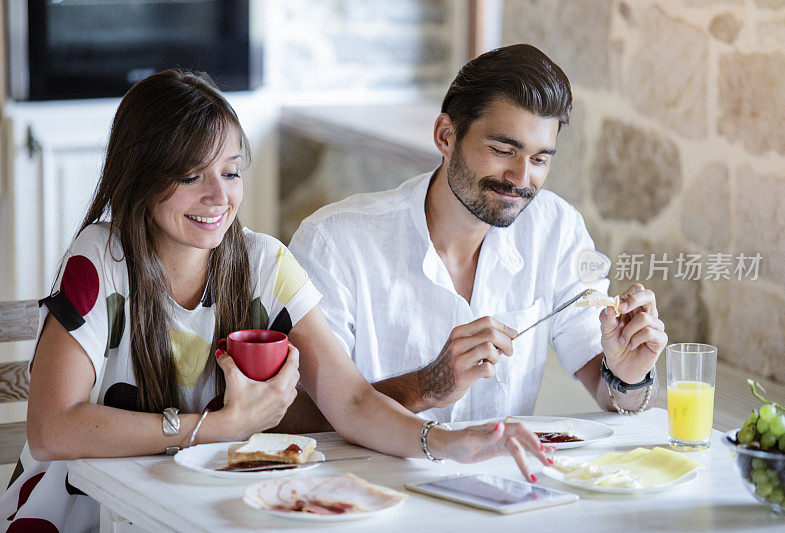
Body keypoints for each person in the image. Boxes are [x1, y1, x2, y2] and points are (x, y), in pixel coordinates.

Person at [0, 70, 552, 532]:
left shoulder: (266, 264)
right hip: (80, 515)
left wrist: (446, 443)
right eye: (191, 176)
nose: (220, 197)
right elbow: (51, 430)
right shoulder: (101, 259)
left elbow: (352, 402)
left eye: (231, 172)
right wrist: (218, 427)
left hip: (197, 511)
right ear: (141, 178)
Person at [287, 44, 668, 427]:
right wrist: (427, 386)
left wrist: (627, 375)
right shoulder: (334, 242)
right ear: (446, 136)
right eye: (503, 150)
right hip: (367, 481)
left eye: (539, 160)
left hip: (503, 479)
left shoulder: (556, 229)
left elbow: (611, 396)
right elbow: (292, 416)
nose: (522, 178)